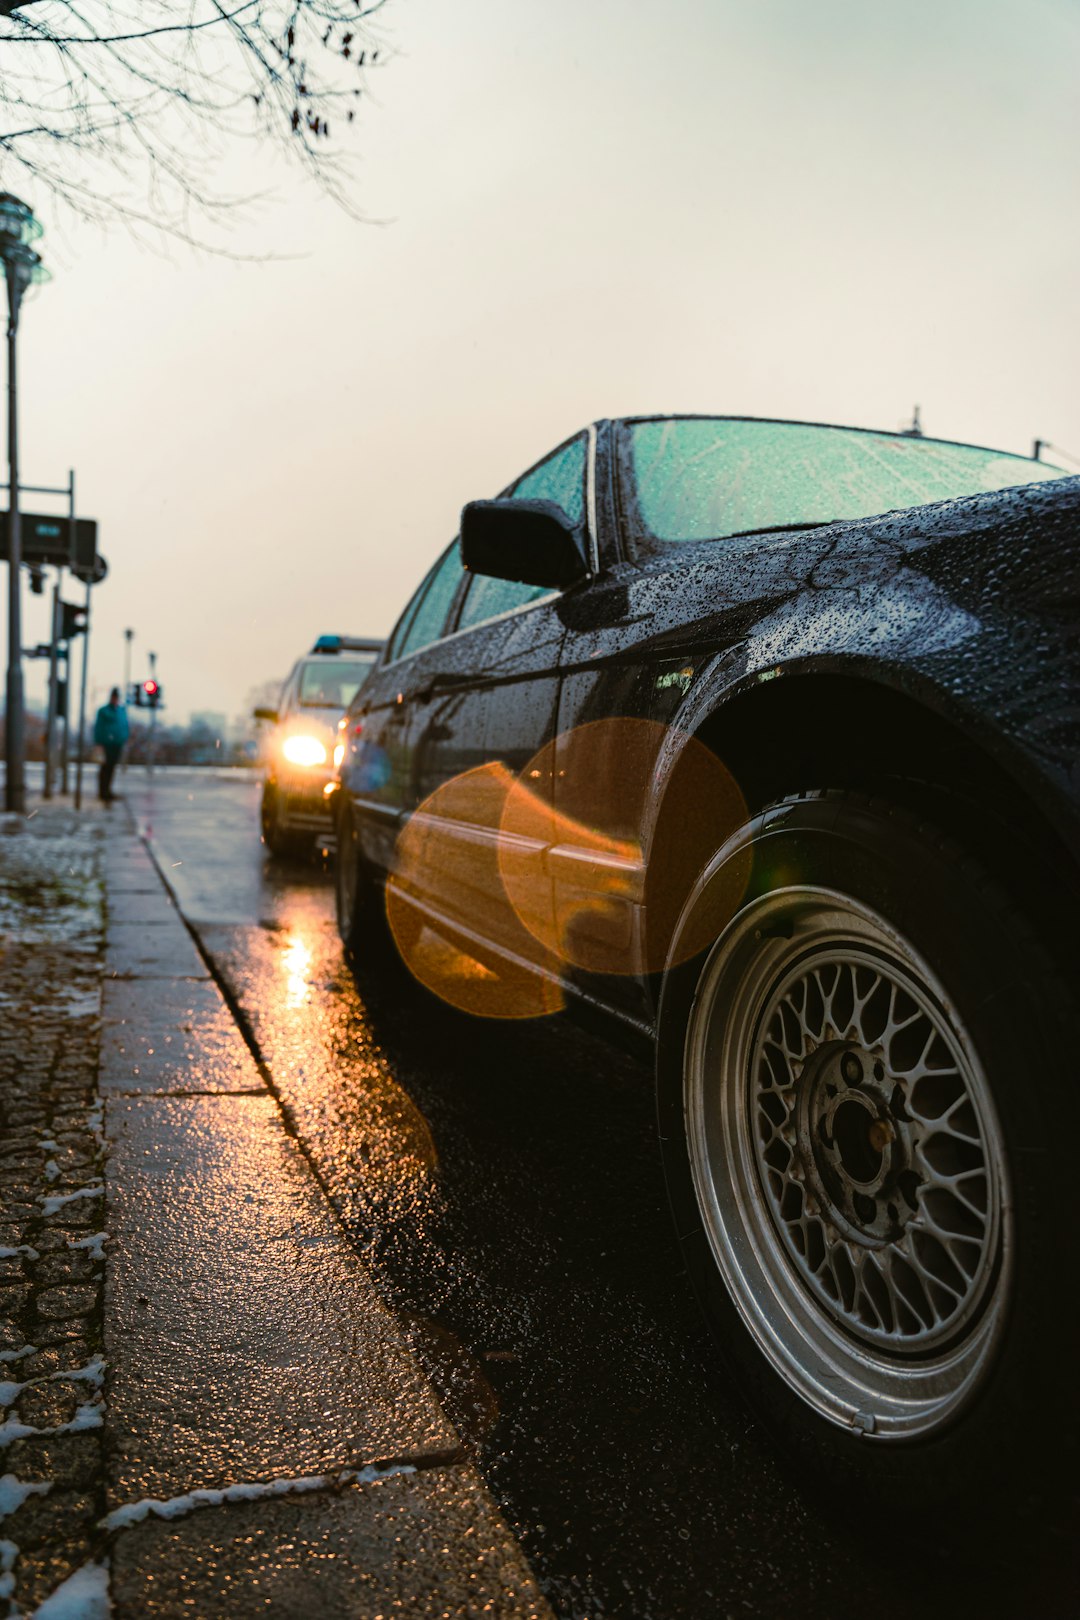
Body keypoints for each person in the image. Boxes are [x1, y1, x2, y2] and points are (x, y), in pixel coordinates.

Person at [93, 687, 129, 804]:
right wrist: (99, 742)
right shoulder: (104, 711)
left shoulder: (121, 711)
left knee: (112, 768)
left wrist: (124, 738)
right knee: (105, 768)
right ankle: (103, 791)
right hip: (106, 743)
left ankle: (108, 790)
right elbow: (99, 727)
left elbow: (124, 726)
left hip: (117, 743)